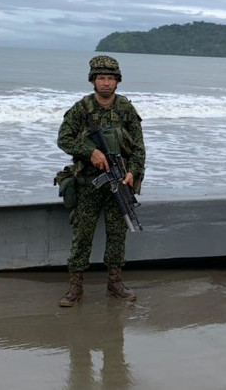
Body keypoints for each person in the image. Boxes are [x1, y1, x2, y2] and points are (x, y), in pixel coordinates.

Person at [56, 55, 146, 307]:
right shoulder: (82, 108)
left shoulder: (126, 109)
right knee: (82, 234)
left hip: (119, 182)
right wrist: (89, 151)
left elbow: (139, 148)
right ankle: (75, 287)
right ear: (93, 81)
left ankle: (115, 282)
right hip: (88, 183)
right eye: (101, 78)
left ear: (117, 82)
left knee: (118, 234)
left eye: (110, 78)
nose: (106, 83)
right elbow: (63, 139)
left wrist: (133, 173)